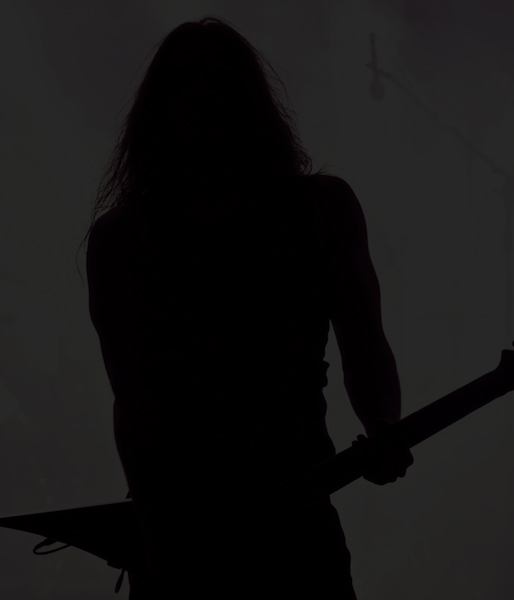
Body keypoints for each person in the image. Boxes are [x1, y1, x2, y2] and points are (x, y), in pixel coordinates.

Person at [83, 16, 413, 599]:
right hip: (238, 532)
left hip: (202, 534)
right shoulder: (317, 210)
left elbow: (134, 403)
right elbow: (134, 403)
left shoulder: (124, 237)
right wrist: (382, 426)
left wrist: (384, 424)